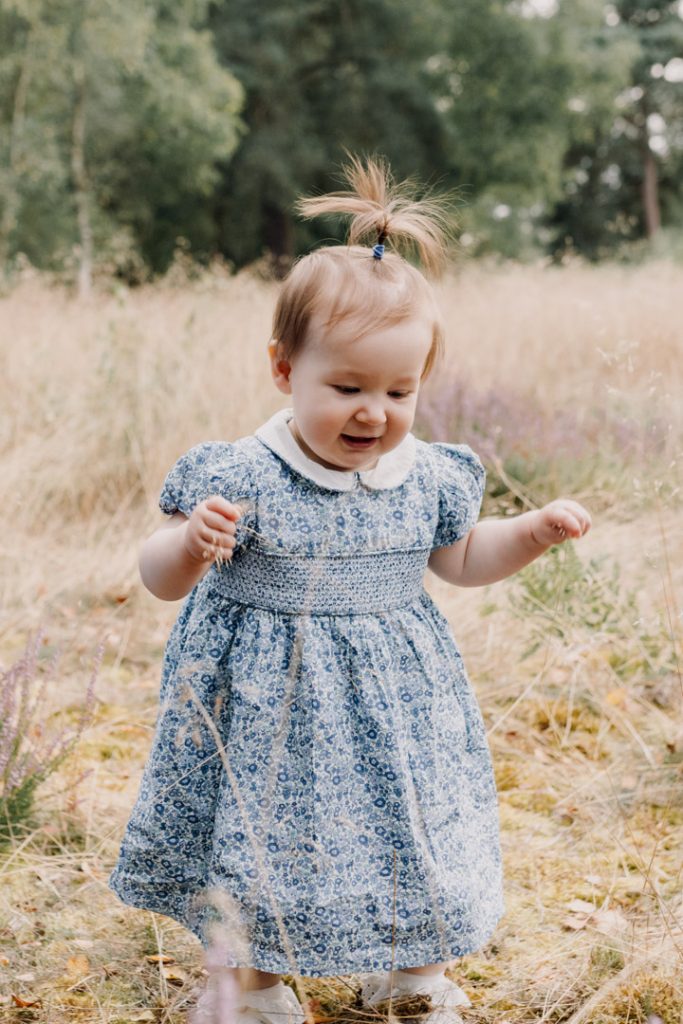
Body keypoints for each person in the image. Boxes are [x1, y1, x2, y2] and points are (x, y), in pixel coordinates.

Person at [108, 157, 591, 1024]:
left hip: (401, 707)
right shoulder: (240, 473)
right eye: (348, 387)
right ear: (285, 370)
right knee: (260, 851)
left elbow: (459, 559)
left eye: (399, 390)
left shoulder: (428, 476)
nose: (374, 412)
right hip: (264, 712)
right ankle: (254, 990)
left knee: (417, 831)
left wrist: (529, 534)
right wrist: (189, 544)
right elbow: (155, 579)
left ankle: (412, 977)